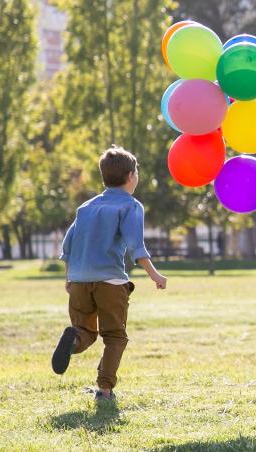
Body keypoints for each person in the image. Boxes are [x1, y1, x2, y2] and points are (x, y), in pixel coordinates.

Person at [51, 146, 169, 403]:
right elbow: (136, 247)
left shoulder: (86, 207)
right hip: (110, 281)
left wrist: (69, 279)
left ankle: (73, 340)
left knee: (85, 331)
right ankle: (104, 390)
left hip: (79, 281)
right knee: (114, 336)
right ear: (130, 176)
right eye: (136, 171)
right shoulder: (130, 206)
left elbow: (67, 246)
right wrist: (155, 275)